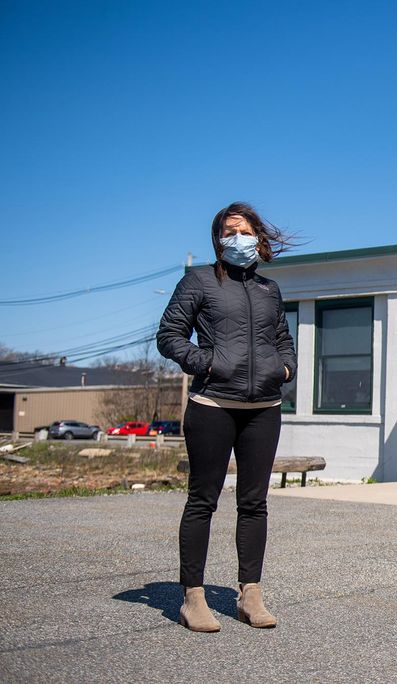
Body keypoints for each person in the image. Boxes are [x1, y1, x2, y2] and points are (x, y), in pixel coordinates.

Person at [157, 202, 297, 632]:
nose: (237, 238)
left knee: (254, 504)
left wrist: (285, 369)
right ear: (218, 241)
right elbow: (169, 336)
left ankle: (250, 594)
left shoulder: (269, 289)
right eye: (228, 232)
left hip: (264, 409)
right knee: (203, 500)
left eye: (244, 230)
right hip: (213, 405)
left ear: (258, 235)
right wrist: (207, 363)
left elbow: (282, 339)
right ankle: (193, 598)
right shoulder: (198, 281)